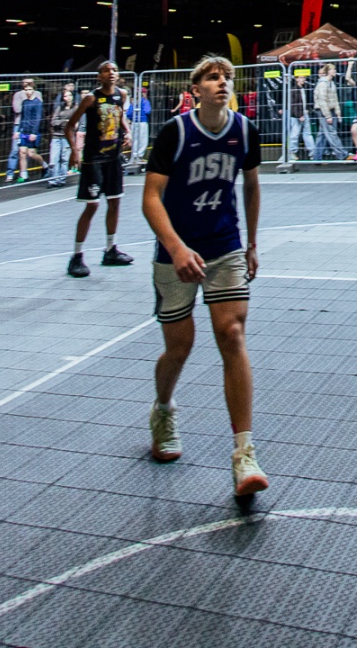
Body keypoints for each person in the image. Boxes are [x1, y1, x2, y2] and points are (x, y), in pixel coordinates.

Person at [141, 55, 267, 496]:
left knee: (232, 334)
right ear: (195, 89)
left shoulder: (244, 130)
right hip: (176, 249)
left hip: (224, 245)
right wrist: (175, 247)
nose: (222, 82)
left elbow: (251, 185)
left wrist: (252, 243)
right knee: (179, 347)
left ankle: (244, 453)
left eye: (227, 76)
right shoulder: (175, 132)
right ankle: (163, 409)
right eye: (213, 77)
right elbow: (151, 197)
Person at [66, 62, 138, 276]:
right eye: (106, 70)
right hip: (94, 159)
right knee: (92, 205)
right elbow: (69, 126)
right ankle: (76, 256)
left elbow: (120, 115)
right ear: (99, 76)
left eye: (114, 70)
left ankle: (110, 250)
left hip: (113, 158)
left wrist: (128, 131)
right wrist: (74, 151)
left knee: (115, 202)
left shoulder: (121, 95)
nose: (111, 73)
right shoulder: (91, 98)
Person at [11, 80, 47, 182]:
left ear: (34, 90)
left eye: (30, 89)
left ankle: (45, 165)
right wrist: (18, 131)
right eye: (26, 90)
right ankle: (24, 175)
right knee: (22, 152)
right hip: (24, 130)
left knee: (31, 154)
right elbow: (22, 118)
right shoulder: (24, 102)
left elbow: (38, 118)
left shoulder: (38, 102)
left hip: (33, 131)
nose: (28, 92)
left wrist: (34, 132)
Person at [48, 84, 77, 185]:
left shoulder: (75, 108)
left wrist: (63, 122)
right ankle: (53, 180)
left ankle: (61, 179)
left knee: (64, 159)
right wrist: (65, 121)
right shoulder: (60, 107)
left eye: (69, 95)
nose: (67, 98)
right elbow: (53, 121)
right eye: (65, 96)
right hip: (56, 136)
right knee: (54, 159)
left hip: (67, 137)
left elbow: (74, 123)